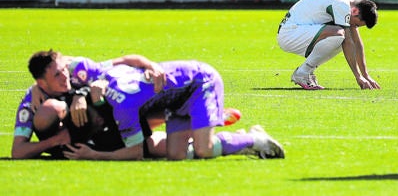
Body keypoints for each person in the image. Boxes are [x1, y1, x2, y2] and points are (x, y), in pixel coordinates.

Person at [58, 56, 285, 160]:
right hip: (176, 100)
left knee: (203, 149)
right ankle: (228, 138)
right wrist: (80, 93)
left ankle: (253, 139)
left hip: (199, 82)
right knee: (176, 155)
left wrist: (94, 155)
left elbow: (136, 152)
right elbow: (66, 61)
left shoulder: (121, 109)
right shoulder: (102, 77)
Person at [11, 50, 166, 159]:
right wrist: (56, 140)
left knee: (144, 121)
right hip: (80, 140)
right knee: (48, 111)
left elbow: (126, 60)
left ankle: (177, 117)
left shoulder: (79, 70)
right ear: (41, 83)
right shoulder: (30, 103)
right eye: (57, 75)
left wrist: (153, 67)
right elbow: (17, 152)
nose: (65, 76)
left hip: (110, 117)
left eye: (64, 69)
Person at [277, 0, 380, 90]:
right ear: (355, 11)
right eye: (356, 24)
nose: (354, 26)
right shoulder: (342, 5)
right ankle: (302, 73)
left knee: (342, 37)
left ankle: (305, 72)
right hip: (290, 34)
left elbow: (356, 42)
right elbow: (348, 42)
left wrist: (366, 75)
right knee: (339, 35)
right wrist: (358, 77)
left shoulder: (349, 2)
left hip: (298, 31)